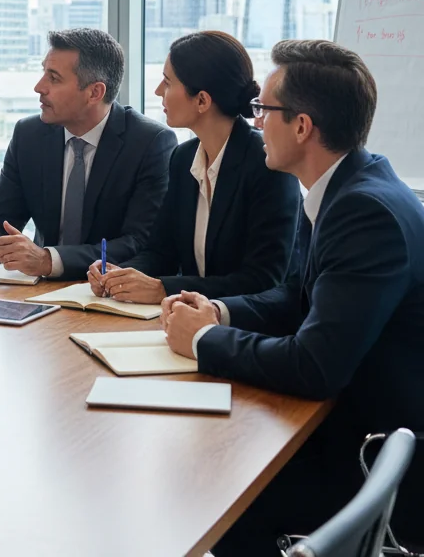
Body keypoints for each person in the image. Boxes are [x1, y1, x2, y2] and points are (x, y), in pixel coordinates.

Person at [162, 39, 424, 552]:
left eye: (265, 111)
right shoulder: (344, 186)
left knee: (209, 488)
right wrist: (218, 310)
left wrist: (205, 341)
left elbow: (314, 366)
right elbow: (293, 297)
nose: (255, 121)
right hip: (353, 425)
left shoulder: (363, 212)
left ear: (302, 126)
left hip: (375, 459)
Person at [87, 31, 300, 304]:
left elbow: (262, 279)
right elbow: (161, 253)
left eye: (167, 82)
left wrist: (164, 288)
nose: (157, 92)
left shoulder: (267, 164)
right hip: (185, 322)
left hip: (245, 329)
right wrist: (122, 275)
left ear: (202, 100)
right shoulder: (183, 158)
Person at [0, 28, 176, 279]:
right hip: (37, 290)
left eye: (54, 78)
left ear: (95, 92)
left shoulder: (149, 143)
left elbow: (138, 243)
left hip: (109, 292)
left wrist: (48, 260)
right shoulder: (30, 135)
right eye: (43, 72)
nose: (39, 87)